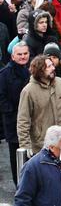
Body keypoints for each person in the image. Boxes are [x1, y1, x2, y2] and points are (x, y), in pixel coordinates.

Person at [17, 54, 61, 154]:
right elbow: (23, 121)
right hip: (41, 146)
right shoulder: (28, 91)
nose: (53, 68)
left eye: (52, 65)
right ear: (40, 70)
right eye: (49, 66)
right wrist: (25, 145)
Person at [0, 42, 30, 185]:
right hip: (13, 121)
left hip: (31, 120)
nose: (23, 56)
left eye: (25, 53)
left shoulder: (32, 70)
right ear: (12, 56)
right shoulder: (4, 74)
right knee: (16, 154)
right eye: (19, 54)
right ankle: (19, 184)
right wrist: (13, 111)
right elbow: (1, 97)